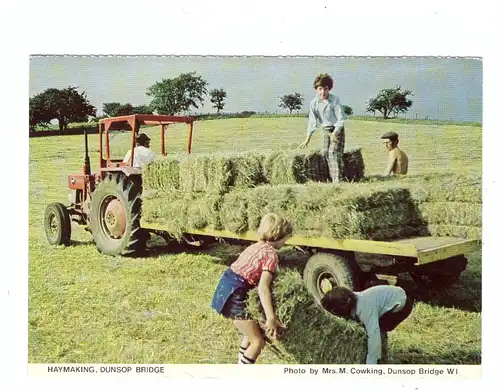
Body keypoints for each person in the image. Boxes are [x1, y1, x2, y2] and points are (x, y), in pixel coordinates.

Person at [211, 213, 293, 364]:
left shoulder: (255, 246)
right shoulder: (271, 256)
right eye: (286, 238)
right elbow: (263, 287)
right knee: (258, 342)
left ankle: (240, 361)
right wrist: (271, 318)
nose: (286, 242)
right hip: (236, 292)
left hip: (226, 286)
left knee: (250, 331)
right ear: (280, 235)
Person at [320, 285, 414, 364]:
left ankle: (381, 362)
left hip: (401, 304)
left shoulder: (365, 310)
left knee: (379, 331)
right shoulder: (351, 298)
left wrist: (370, 365)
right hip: (392, 294)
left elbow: (374, 338)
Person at [299, 73, 346, 183]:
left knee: (333, 153)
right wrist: (307, 139)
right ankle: (332, 178)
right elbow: (312, 122)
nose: (323, 92)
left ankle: (338, 182)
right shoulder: (314, 103)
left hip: (337, 130)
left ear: (329, 89)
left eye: (325, 89)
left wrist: (335, 132)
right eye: (320, 89)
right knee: (325, 153)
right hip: (325, 131)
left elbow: (341, 119)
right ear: (316, 89)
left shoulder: (334, 100)